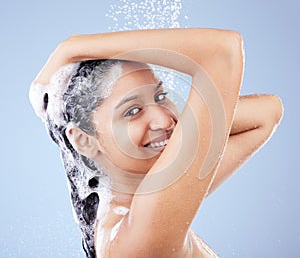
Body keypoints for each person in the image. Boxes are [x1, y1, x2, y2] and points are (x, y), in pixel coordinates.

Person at [29, 28, 283, 257]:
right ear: (84, 141)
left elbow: (265, 114)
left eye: (160, 96)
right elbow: (222, 50)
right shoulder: (142, 232)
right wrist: (72, 48)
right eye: (132, 111)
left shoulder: (138, 202)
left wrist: (185, 131)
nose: (163, 119)